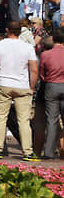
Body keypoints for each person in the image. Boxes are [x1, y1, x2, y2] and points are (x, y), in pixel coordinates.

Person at [0, 21, 39, 161]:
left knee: (0, 118)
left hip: (4, 84)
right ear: (20, 31)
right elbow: (34, 69)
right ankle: (27, 151)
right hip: (22, 86)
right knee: (24, 120)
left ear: (7, 30)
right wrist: (32, 87)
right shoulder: (28, 47)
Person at [39, 28, 64, 159]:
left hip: (52, 86)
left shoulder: (45, 54)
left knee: (51, 120)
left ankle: (49, 152)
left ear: (53, 39)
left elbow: (42, 75)